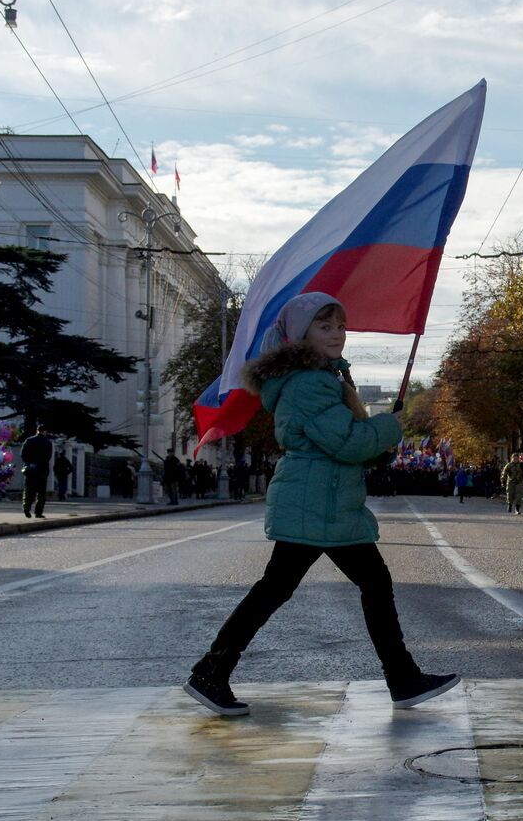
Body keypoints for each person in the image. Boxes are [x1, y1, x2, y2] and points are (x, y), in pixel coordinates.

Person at [184, 292, 455, 717]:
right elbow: (346, 443)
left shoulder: (324, 378)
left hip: (324, 499)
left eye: (340, 326)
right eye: (325, 327)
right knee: (341, 586)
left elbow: (349, 442)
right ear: (300, 335)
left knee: (285, 589)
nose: (337, 334)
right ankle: (401, 678)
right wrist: (387, 427)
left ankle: (212, 672)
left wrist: (379, 444)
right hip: (318, 501)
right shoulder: (309, 383)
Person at [20, 425, 54, 519]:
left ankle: (26, 507)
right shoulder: (47, 443)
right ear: (45, 431)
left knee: (28, 490)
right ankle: (38, 512)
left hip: (30, 470)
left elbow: (23, 454)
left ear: (37, 430)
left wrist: (29, 463)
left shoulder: (29, 440)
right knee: (41, 492)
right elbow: (48, 457)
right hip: (42, 470)